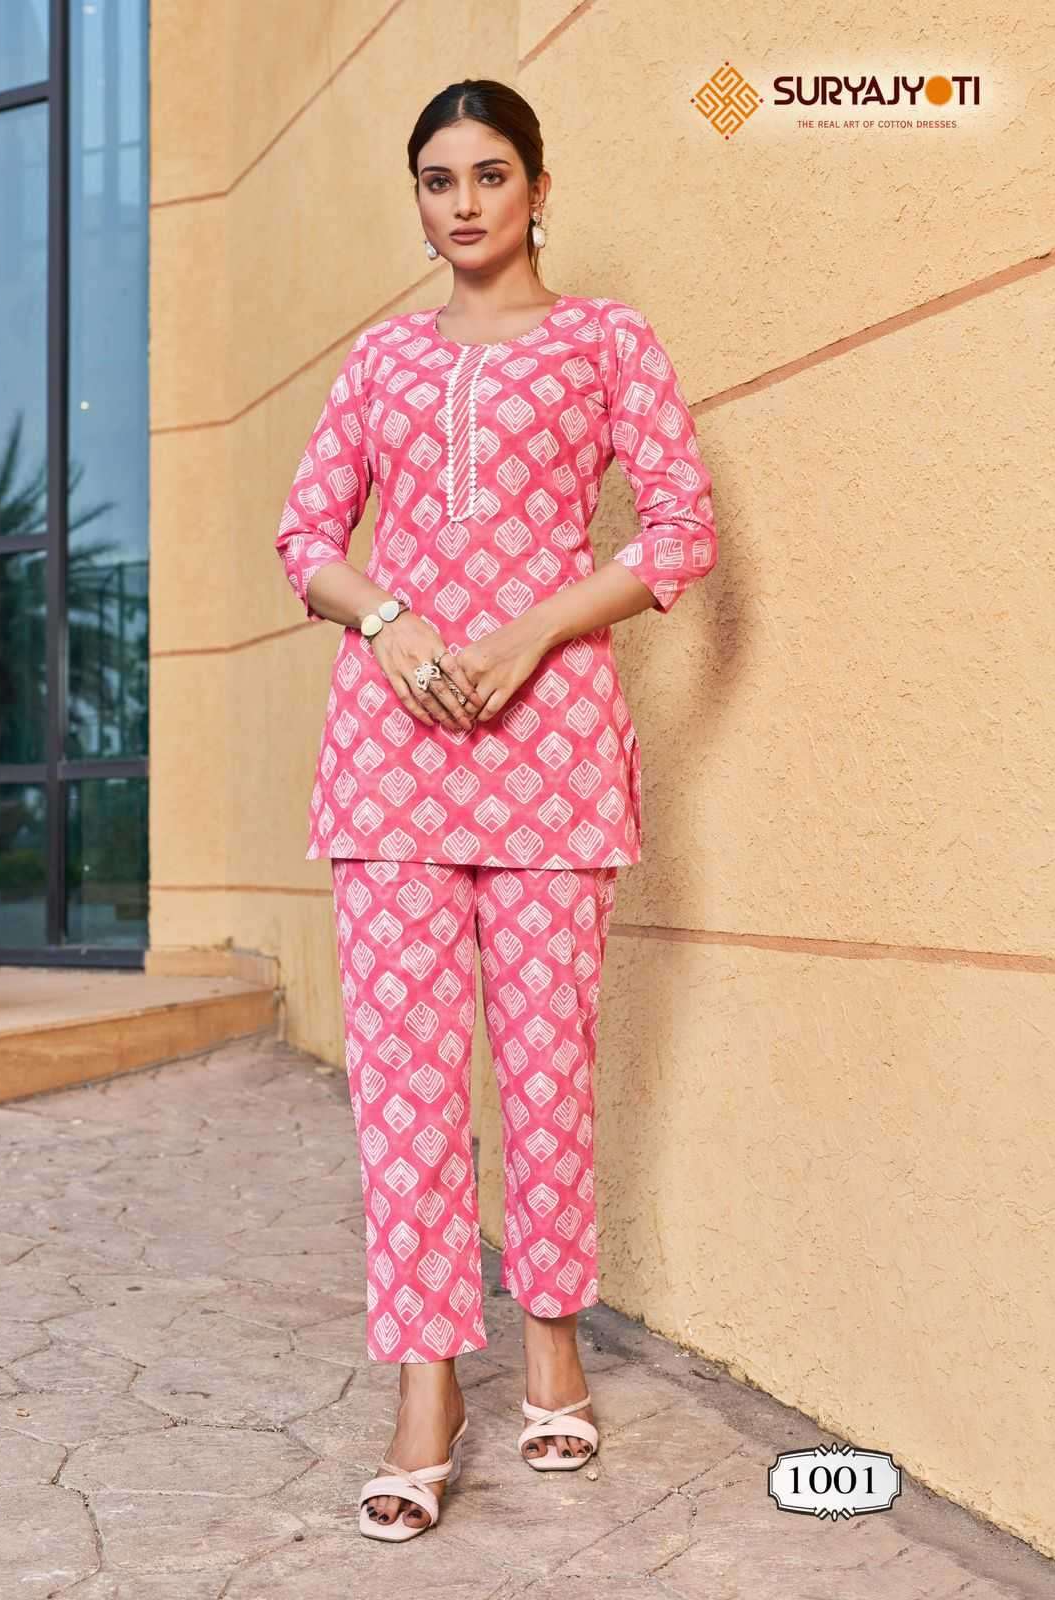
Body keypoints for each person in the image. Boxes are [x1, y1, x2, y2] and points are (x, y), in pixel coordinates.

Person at [274, 77, 719, 1542]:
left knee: (545, 1071)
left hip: (555, 760)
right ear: (418, 201)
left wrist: (532, 634)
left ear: (536, 188)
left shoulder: (607, 342)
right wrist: (387, 618)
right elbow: (304, 535)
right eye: (437, 179)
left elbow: (681, 530)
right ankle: (426, 1395)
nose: (462, 202)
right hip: (390, 764)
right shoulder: (383, 360)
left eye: (489, 174)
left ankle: (551, 1350)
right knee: (403, 1092)